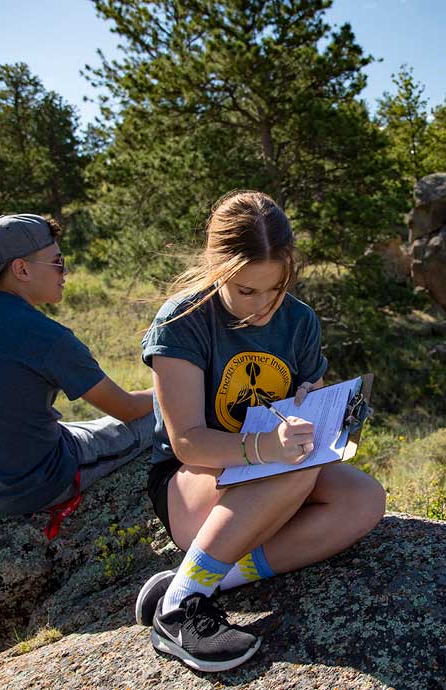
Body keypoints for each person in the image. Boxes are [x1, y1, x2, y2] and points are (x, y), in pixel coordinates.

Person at [136, 191, 386, 672]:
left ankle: (205, 577)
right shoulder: (183, 320)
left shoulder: (299, 320)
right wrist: (266, 447)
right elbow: (187, 440)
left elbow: (300, 400)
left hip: (267, 476)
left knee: (364, 499)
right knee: (290, 471)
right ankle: (178, 611)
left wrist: (320, 410)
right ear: (216, 266)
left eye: (275, 290)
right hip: (192, 482)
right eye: (246, 292)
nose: (263, 308)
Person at [0, 213, 153, 516]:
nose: (64, 273)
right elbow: (126, 408)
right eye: (57, 262)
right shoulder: (47, 337)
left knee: (81, 428)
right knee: (158, 420)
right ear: (21, 269)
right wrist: (171, 391)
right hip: (33, 486)